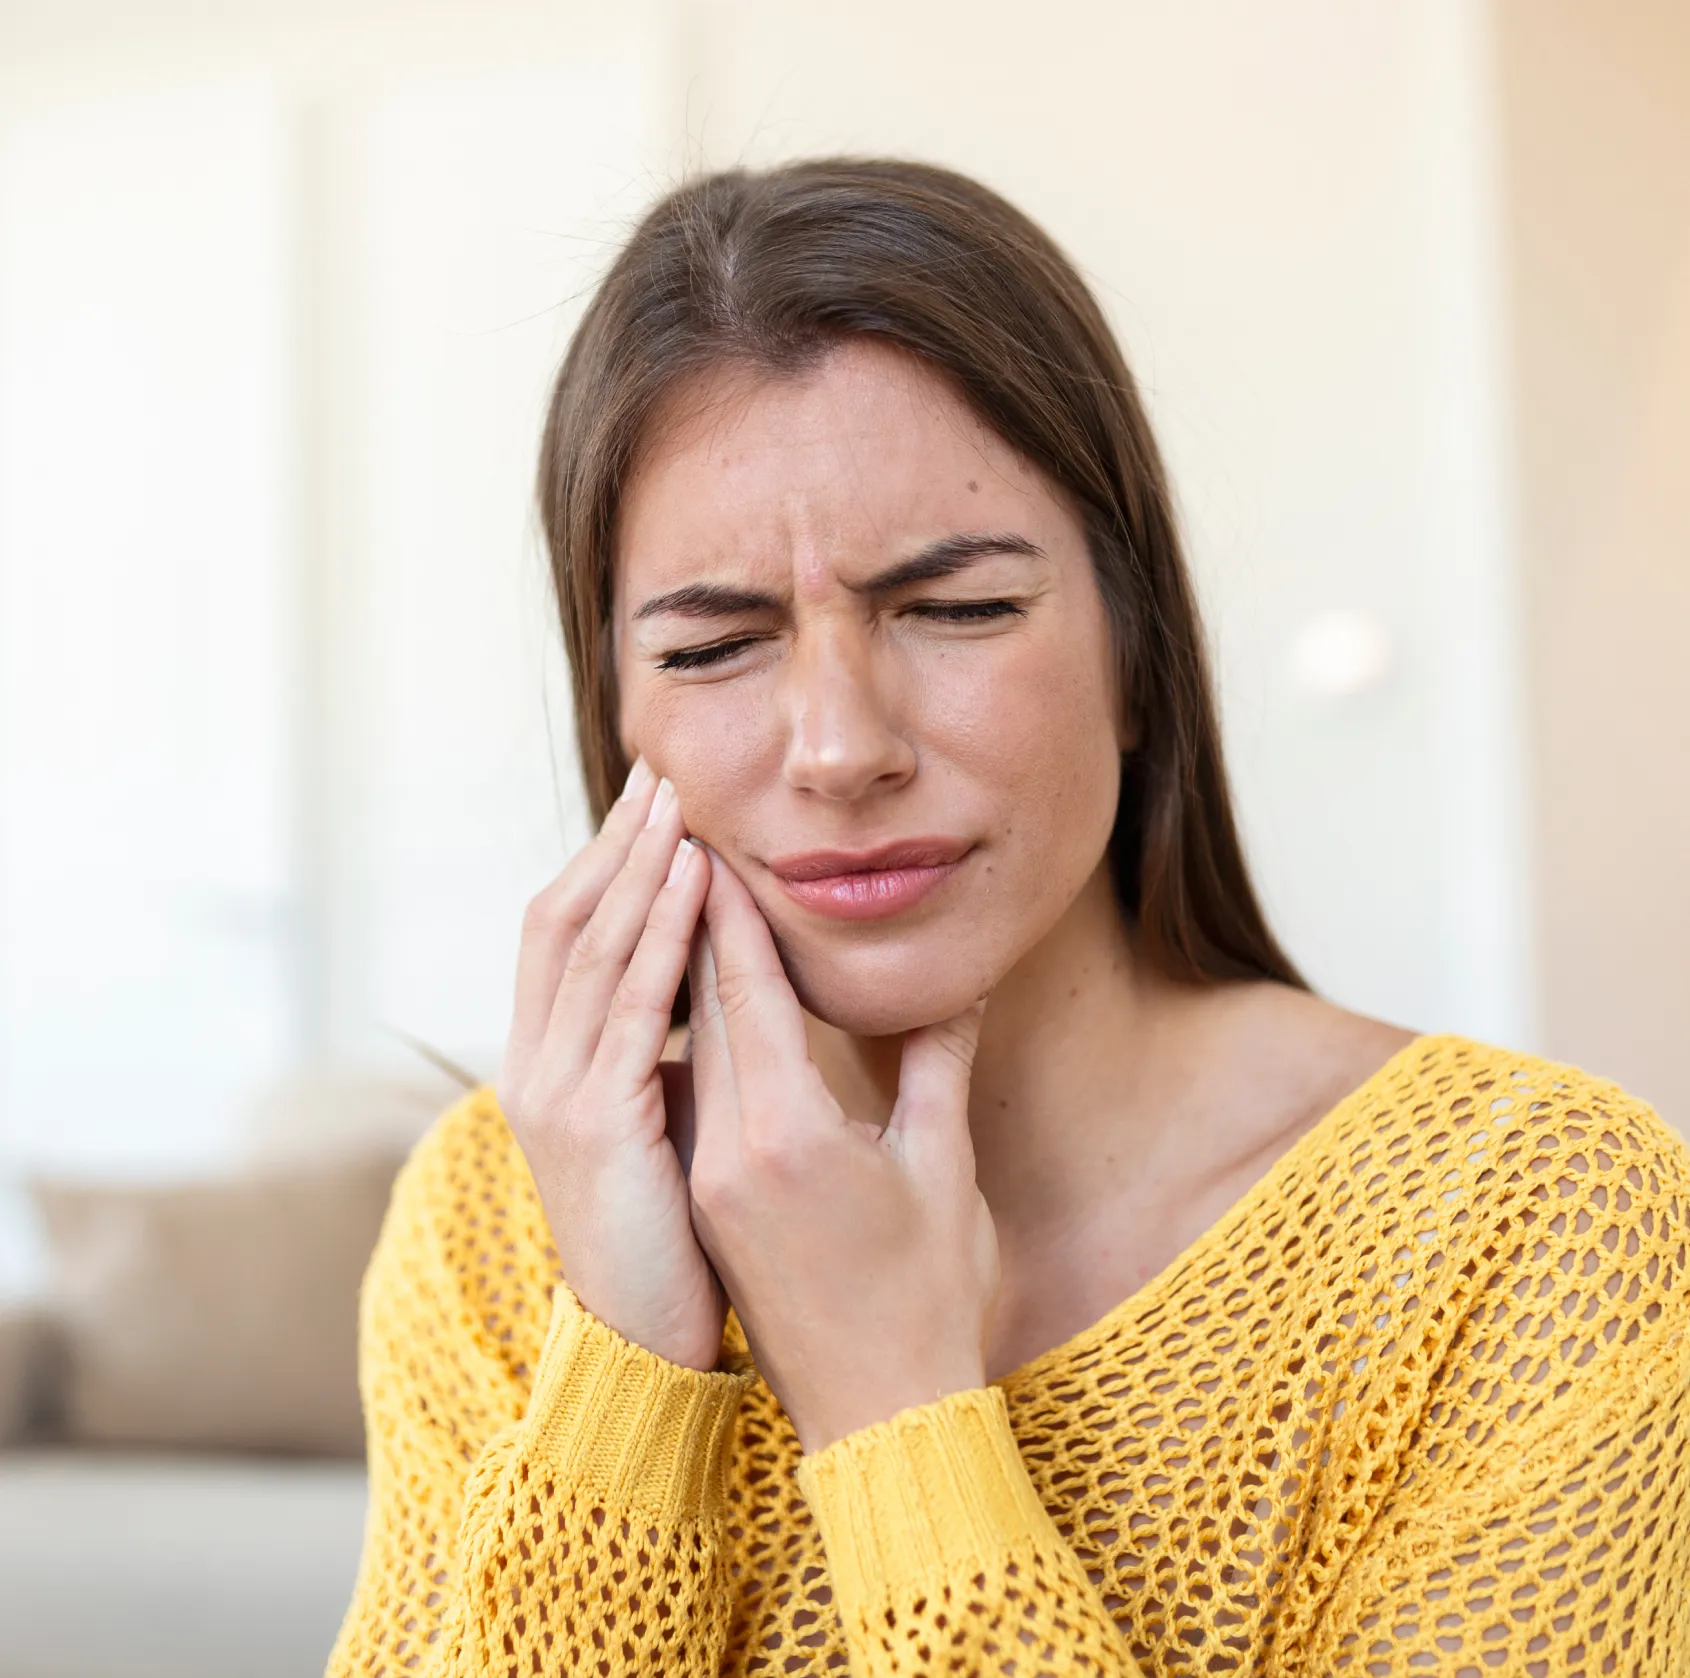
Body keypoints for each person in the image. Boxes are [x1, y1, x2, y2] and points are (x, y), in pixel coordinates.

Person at [327, 159, 1690, 1677]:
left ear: (1136, 657)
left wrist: (895, 1410)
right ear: (620, 718)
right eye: (712, 646)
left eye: (957, 608)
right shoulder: (494, 1219)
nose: (839, 747)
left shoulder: (1530, 1227)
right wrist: (628, 1377)